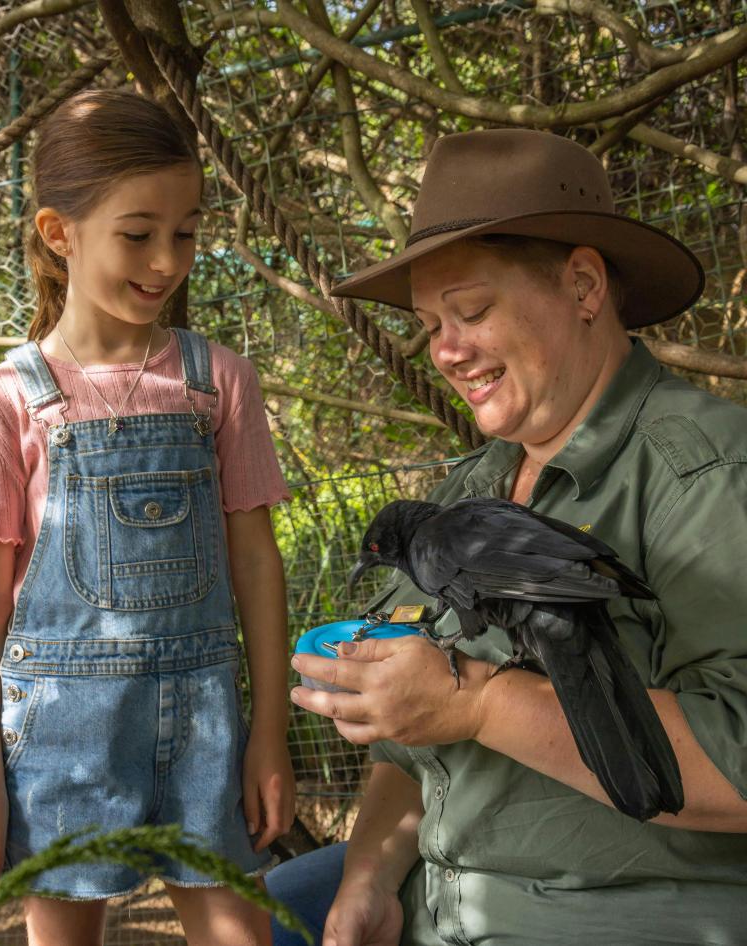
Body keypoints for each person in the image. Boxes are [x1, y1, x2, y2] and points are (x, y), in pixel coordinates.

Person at [270, 130, 747, 945]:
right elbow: (407, 748)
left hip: (605, 916)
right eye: (428, 325)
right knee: (254, 911)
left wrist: (481, 703)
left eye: (472, 311)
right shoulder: (468, 489)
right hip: (438, 902)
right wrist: (367, 875)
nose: (446, 351)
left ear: (585, 286)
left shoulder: (705, 474)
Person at [0, 89, 295, 946]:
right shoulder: (9, 402)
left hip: (207, 727)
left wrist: (270, 729)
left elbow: (256, 562)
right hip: (59, 736)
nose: (167, 259)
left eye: (186, 232)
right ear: (58, 233)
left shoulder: (217, 381)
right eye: (138, 232)